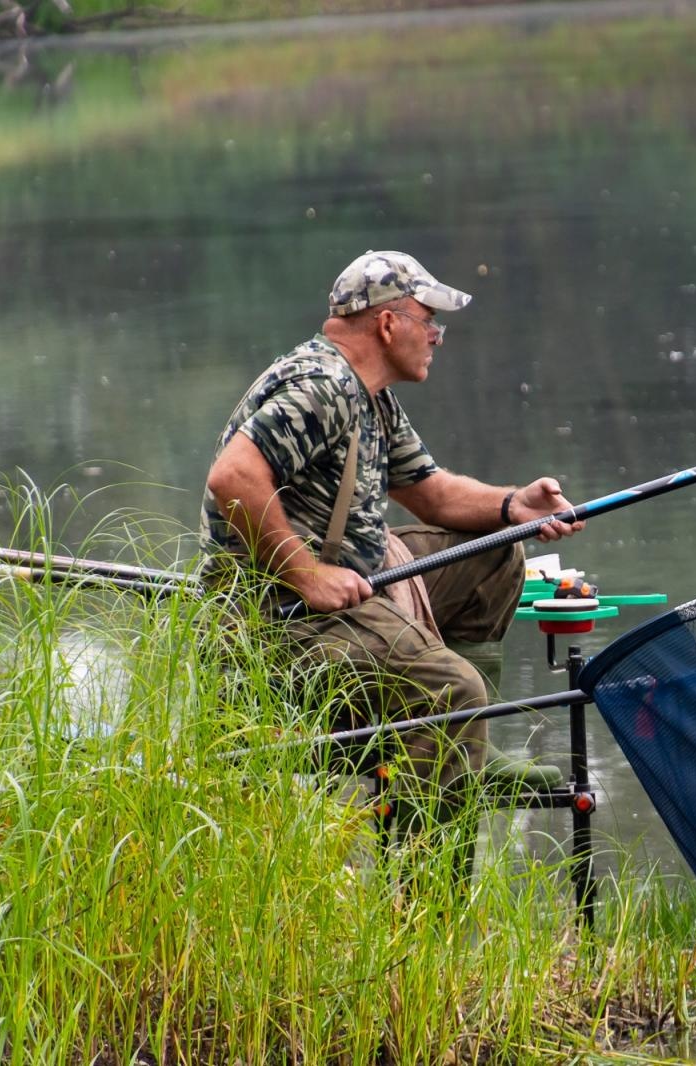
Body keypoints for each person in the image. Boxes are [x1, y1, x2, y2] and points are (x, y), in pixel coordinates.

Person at [200, 249, 582, 833]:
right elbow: (232, 477)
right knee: (452, 691)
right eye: (429, 321)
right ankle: (423, 903)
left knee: (496, 553)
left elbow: (431, 492)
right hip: (277, 616)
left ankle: (469, 749)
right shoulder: (324, 386)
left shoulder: (370, 395)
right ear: (387, 322)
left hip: (342, 585)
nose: (437, 336)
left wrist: (515, 506)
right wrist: (307, 574)